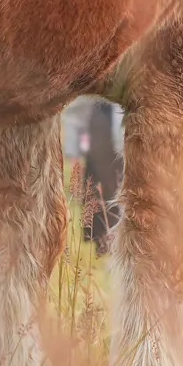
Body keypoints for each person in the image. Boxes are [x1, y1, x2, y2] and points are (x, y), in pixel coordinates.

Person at [70, 96, 124, 253]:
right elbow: (78, 120)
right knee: (94, 195)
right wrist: (76, 150)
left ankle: (113, 241)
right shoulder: (91, 103)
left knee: (115, 197)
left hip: (117, 157)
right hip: (95, 155)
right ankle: (98, 242)